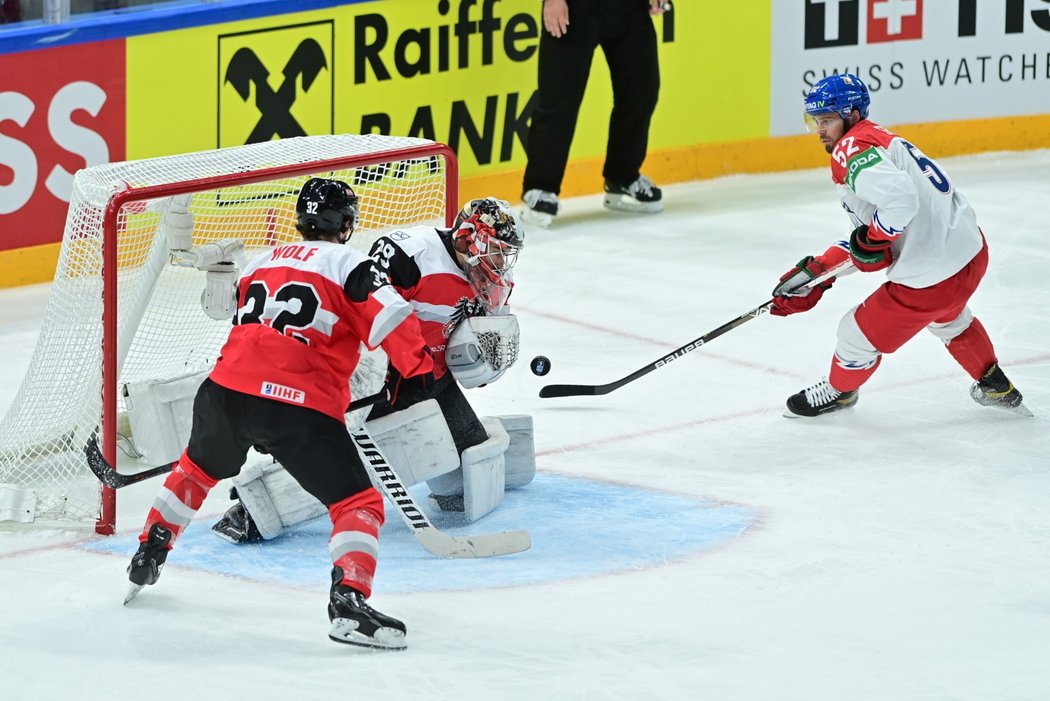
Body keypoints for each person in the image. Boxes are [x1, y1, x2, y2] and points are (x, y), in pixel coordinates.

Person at [126, 178, 436, 650]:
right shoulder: (352, 263)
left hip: (224, 391)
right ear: (346, 224)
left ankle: (150, 548)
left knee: (196, 469)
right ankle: (348, 601)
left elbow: (241, 315)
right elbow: (394, 322)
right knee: (357, 503)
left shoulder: (266, 258)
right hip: (296, 405)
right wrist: (423, 367)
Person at [210, 197, 532, 543]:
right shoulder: (409, 255)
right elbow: (359, 313)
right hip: (376, 378)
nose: (501, 263)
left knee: (464, 486)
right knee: (357, 460)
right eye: (496, 250)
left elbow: (481, 335)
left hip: (428, 381)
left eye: (506, 253)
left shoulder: (490, 278)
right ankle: (254, 509)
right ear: (469, 237)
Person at [770, 73, 1031, 419]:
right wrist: (819, 271)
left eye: (828, 120)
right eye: (815, 121)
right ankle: (996, 384)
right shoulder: (880, 138)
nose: (820, 130)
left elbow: (898, 206)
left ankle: (839, 392)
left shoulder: (850, 149)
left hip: (932, 278)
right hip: (969, 256)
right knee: (950, 320)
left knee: (854, 335)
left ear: (851, 115)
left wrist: (873, 239)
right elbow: (873, 234)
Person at [520, 0, 669, 227]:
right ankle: (539, 188)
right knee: (559, 99)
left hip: (629, 8)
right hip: (575, 7)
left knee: (642, 89)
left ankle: (622, 176)